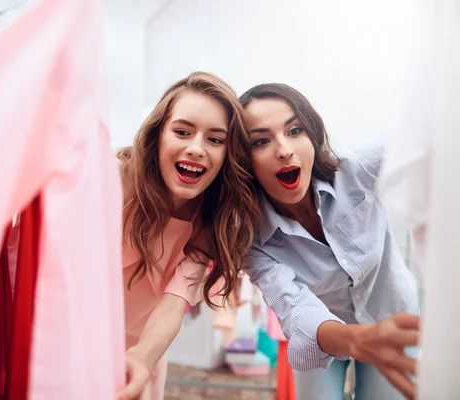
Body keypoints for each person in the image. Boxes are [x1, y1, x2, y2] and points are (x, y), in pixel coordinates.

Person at [240, 83, 420, 400]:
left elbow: (419, 139)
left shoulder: (356, 169)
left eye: (295, 130)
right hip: (322, 336)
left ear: (313, 134)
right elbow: (295, 308)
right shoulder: (253, 241)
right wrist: (354, 339)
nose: (283, 149)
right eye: (262, 141)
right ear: (243, 160)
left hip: (391, 314)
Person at [116, 72, 260, 400]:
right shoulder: (114, 183)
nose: (196, 148)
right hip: (69, 341)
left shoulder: (209, 224)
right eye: (182, 131)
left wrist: (141, 357)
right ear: (158, 135)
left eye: (215, 139)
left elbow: (174, 304)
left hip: (142, 353)